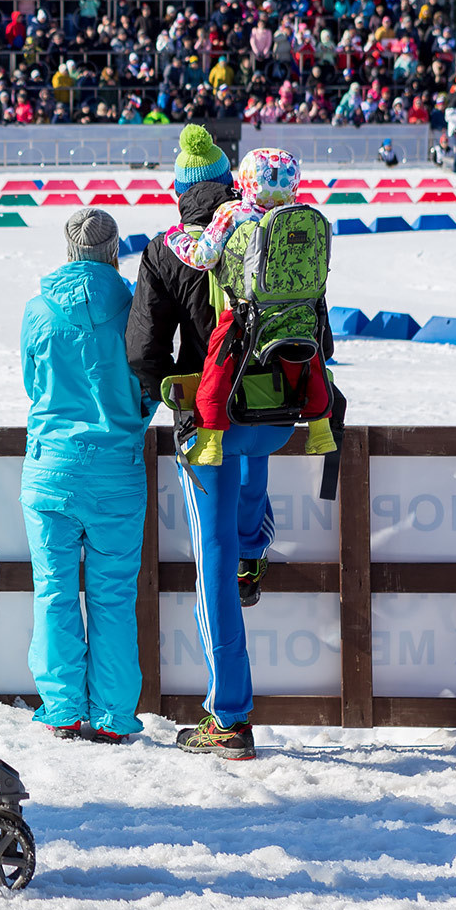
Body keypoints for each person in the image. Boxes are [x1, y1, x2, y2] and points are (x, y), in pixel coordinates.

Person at [126, 126, 287, 762]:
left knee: (210, 567)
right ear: (227, 182)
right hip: (277, 413)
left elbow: (143, 351)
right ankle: (256, 547)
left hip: (210, 423)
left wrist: (168, 395)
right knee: (253, 468)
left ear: (178, 194)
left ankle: (229, 718)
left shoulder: (167, 251)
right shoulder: (268, 229)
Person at [18, 208, 150, 745]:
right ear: (114, 251)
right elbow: (147, 385)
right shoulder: (135, 310)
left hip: (51, 470)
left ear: (69, 252)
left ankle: (63, 708)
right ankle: (114, 716)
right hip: (117, 473)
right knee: (113, 597)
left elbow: (32, 384)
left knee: (53, 591)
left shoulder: (38, 310)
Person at [160, 147, 334, 469]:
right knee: (307, 364)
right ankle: (321, 430)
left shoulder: (234, 213)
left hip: (244, 312)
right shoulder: (304, 217)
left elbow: (203, 258)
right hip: (297, 313)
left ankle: (210, 441)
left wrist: (174, 238)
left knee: (218, 365)